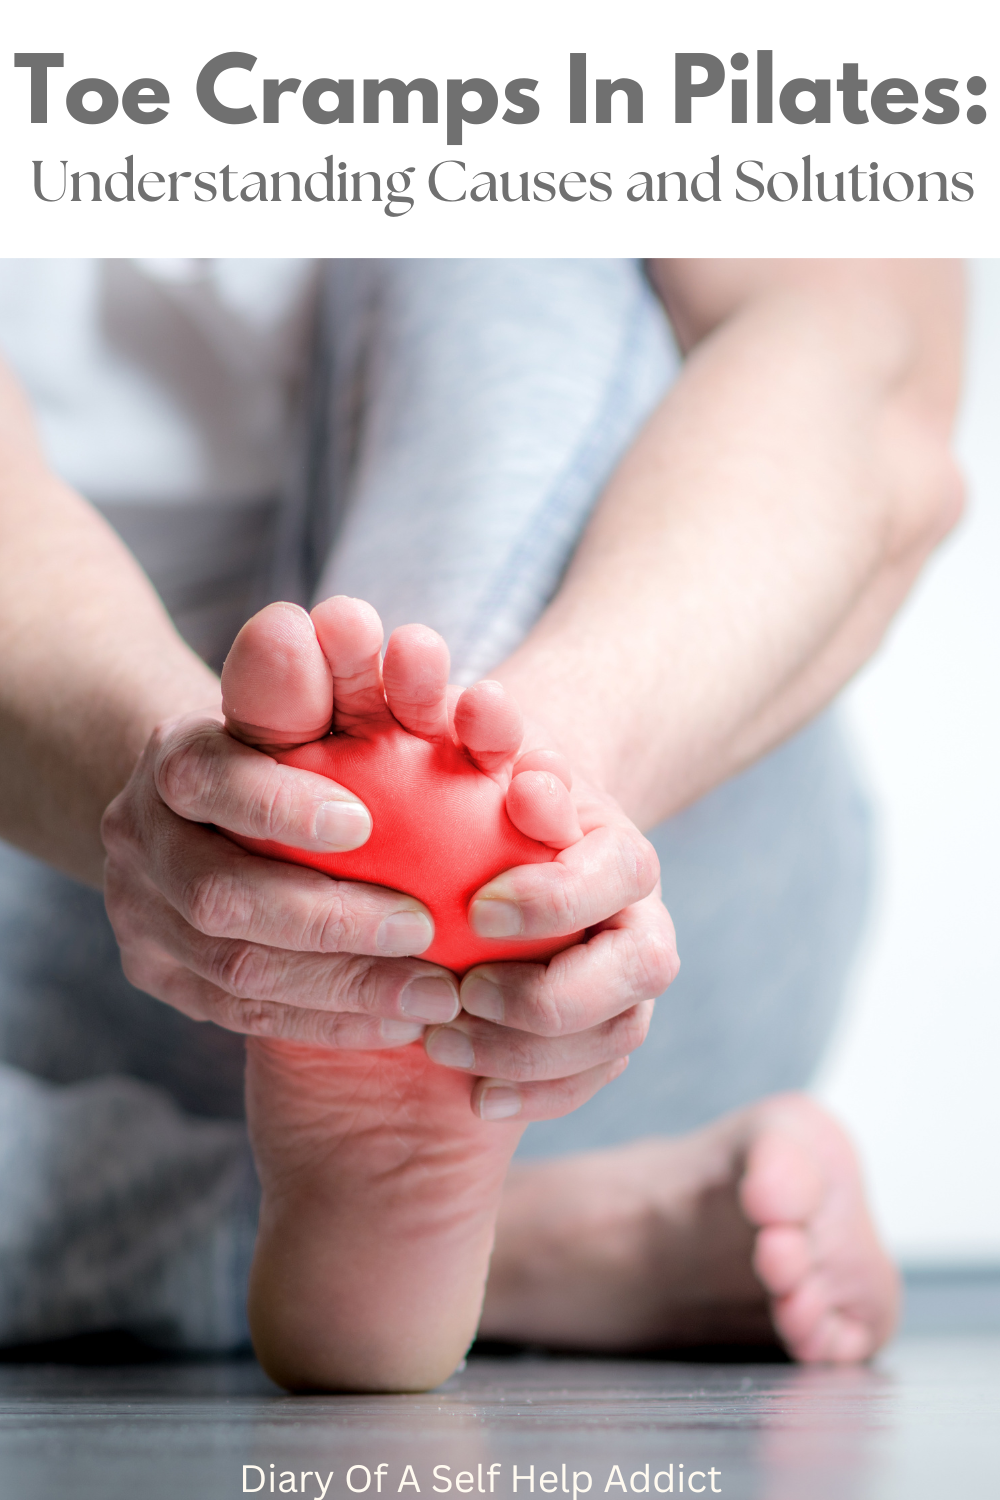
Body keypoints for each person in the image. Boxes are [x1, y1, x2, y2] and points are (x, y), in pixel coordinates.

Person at [0, 259, 962, 1386]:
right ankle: (537, 1236)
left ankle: (440, 850)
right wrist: (166, 790)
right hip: (69, 950)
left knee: (490, 202)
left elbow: (862, 363)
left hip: (593, 950)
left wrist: (539, 788)